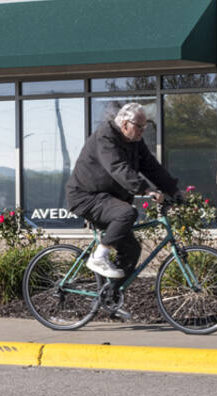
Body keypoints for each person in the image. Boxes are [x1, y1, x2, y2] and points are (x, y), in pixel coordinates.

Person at [64, 102, 179, 311]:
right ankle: (99, 255)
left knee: (132, 250)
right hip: (85, 196)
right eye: (139, 126)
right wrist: (145, 190)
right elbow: (118, 167)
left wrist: (174, 191)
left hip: (107, 198)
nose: (143, 131)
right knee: (127, 212)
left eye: (145, 126)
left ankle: (109, 299)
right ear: (125, 124)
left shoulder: (135, 142)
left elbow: (152, 168)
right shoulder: (105, 136)